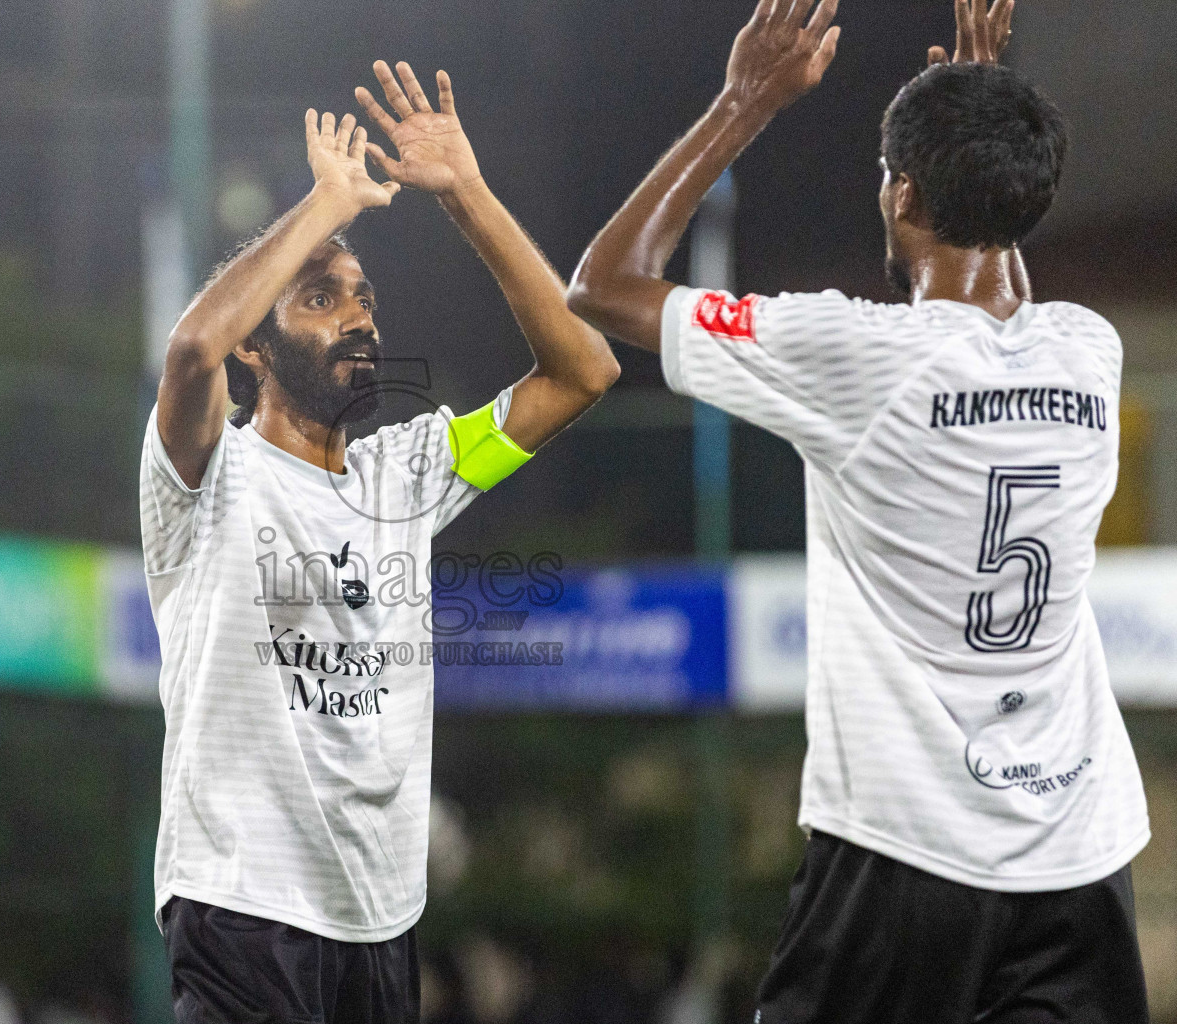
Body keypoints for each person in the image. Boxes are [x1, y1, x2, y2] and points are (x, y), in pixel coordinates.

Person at [567, 1, 1149, 1020]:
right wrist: (977, 115)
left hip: (904, 853)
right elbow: (997, 291)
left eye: (892, 177)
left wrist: (744, 102)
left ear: (904, 194)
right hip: (1077, 851)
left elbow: (605, 285)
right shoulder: (1088, 354)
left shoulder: (854, 355)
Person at [142, 58, 617, 1023]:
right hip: (244, 908)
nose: (357, 315)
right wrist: (322, 209)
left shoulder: (410, 470)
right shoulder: (202, 477)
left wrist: (467, 192)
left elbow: (582, 371)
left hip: (381, 922)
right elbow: (190, 349)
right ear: (255, 348)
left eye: (360, 295)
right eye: (320, 298)